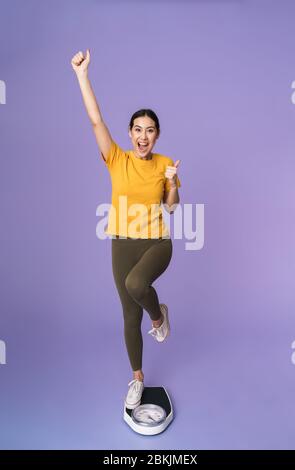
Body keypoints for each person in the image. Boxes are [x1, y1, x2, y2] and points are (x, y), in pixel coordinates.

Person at [71, 49, 181, 410]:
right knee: (128, 316)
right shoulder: (116, 159)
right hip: (122, 244)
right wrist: (82, 76)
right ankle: (137, 379)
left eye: (150, 131)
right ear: (130, 134)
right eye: (138, 130)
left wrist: (173, 183)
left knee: (138, 286)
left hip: (156, 242)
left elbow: (171, 205)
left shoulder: (165, 163)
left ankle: (159, 315)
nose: (143, 136)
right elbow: (95, 119)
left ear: (157, 134)